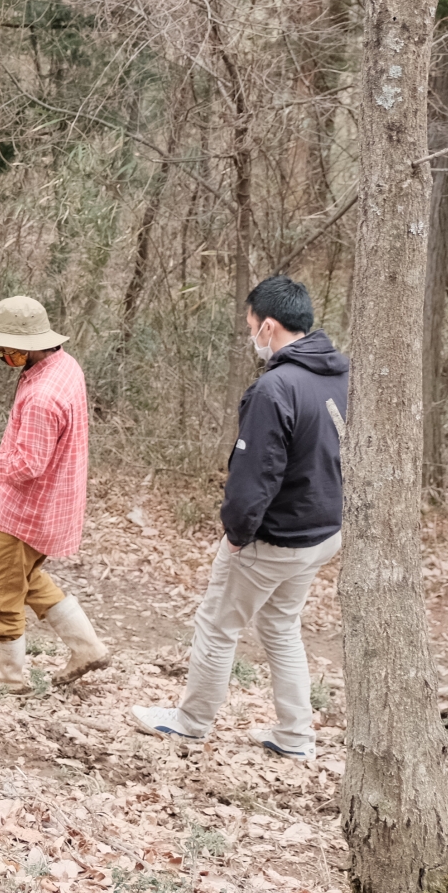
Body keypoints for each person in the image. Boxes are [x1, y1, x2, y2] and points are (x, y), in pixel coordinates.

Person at [132, 274, 347, 760]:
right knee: (280, 624)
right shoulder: (339, 374)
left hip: (277, 535)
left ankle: (190, 722)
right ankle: (295, 736)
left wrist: (237, 532)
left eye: (251, 326)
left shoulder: (275, 389)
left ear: (269, 326)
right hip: (323, 530)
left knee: (218, 623)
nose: (250, 335)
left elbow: (256, 474)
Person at [0, 296, 110, 694]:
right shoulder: (64, 365)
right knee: (26, 578)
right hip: (53, 504)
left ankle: (7, 676)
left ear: (29, 346)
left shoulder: (42, 396)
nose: (1, 355)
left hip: (27, 511)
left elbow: (24, 466)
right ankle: (89, 649)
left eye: (6, 350)